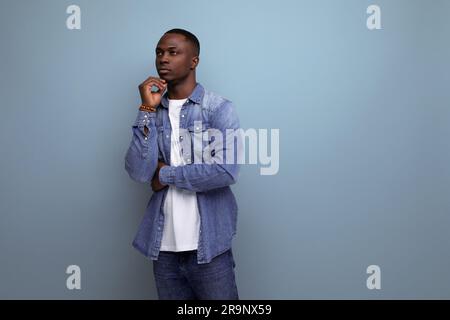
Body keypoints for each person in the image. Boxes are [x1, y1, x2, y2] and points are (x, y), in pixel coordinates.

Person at [124, 28, 242, 300]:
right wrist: (146, 109)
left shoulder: (218, 109)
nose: (163, 58)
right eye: (159, 52)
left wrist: (165, 173)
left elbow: (225, 170)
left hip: (209, 246)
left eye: (173, 52)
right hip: (162, 247)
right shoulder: (151, 112)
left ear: (194, 61)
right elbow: (139, 171)